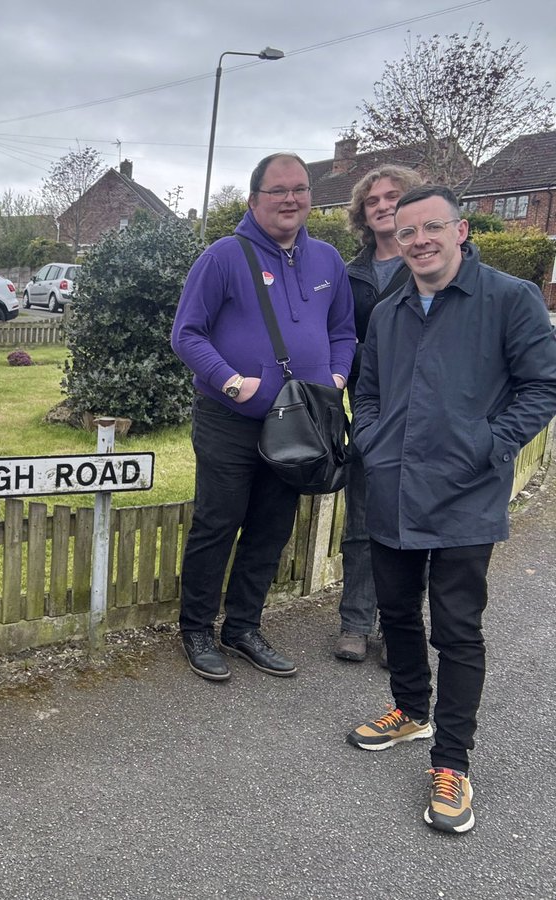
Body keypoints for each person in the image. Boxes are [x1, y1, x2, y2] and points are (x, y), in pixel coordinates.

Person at [346, 185, 556, 833]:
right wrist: (375, 447)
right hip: (394, 489)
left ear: (461, 231)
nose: (419, 241)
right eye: (407, 232)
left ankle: (452, 764)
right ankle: (411, 709)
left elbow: (542, 385)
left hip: (467, 494)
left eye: (432, 227)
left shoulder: (510, 299)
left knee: (458, 631)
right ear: (397, 241)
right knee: (398, 614)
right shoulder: (390, 309)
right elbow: (370, 391)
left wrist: (489, 445)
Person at [171, 153, 356, 682]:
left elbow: (344, 331)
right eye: (278, 191)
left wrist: (336, 379)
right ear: (254, 199)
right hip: (230, 417)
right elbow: (187, 333)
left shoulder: (327, 261)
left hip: (301, 421)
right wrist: (232, 380)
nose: (290, 199)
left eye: (299, 189)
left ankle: (243, 627)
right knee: (218, 521)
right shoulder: (224, 256)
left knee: (272, 526)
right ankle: (198, 629)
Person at [334, 165, 422, 664]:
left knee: (414, 523)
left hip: (425, 411)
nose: (384, 205)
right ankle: (354, 622)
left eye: (395, 196)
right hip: (369, 410)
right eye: (374, 201)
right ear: (362, 215)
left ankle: (398, 627)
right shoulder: (351, 276)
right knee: (363, 519)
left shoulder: (433, 265)